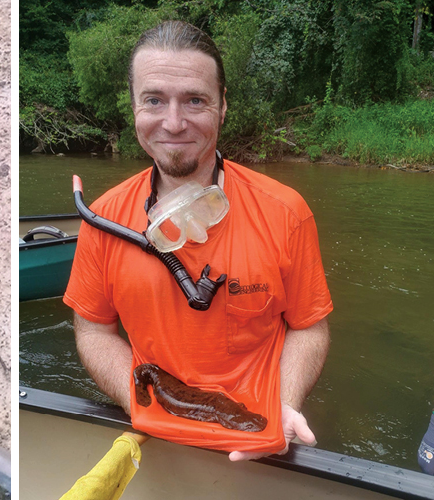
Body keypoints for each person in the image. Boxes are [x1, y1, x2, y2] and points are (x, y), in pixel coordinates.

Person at [63, 20, 331, 460]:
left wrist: (285, 406)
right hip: (154, 441)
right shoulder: (103, 218)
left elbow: (308, 327)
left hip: (258, 438)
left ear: (223, 106)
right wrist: (147, 403)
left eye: (194, 100)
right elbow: (93, 329)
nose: (173, 122)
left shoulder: (286, 211)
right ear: (132, 106)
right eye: (154, 100)